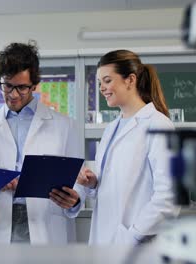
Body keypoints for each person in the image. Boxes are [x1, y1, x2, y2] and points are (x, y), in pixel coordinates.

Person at [0, 41, 83, 244]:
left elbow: (79, 178)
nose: (13, 94)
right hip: (0, 221)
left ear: (34, 84)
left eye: (22, 87)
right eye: (7, 86)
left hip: (45, 223)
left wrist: (75, 200)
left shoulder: (65, 126)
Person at [70, 49, 179, 245]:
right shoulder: (112, 128)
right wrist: (94, 183)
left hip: (137, 243)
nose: (102, 88)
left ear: (130, 80)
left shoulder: (158, 125)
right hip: (105, 239)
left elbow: (169, 197)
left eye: (108, 80)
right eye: (100, 82)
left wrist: (133, 235)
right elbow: (115, 186)